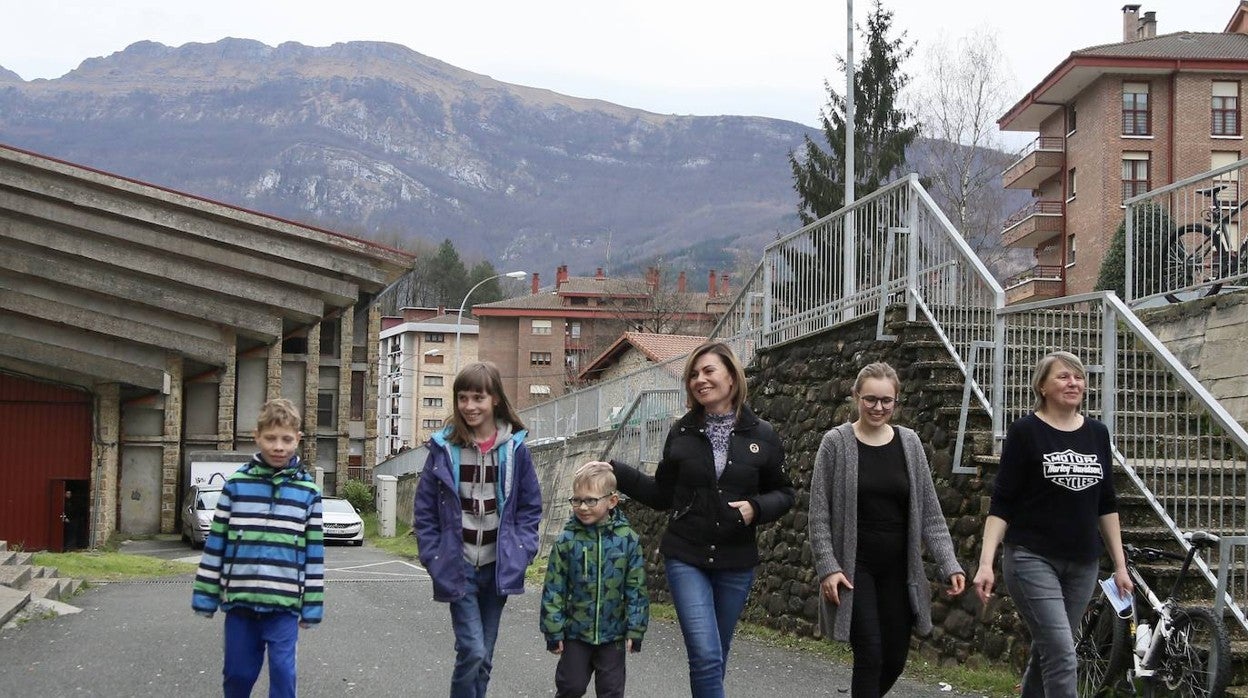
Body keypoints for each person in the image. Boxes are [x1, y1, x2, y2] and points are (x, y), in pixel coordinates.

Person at [598, 340, 794, 698]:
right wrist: (616, 471)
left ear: (732, 378)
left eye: (708, 371)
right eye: (693, 375)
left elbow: (785, 493)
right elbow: (661, 494)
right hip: (686, 555)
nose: (699, 380)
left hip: (736, 561)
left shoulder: (762, 435)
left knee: (716, 655)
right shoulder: (682, 432)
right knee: (704, 654)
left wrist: (757, 508)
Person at [973, 351, 1132, 697]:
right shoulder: (1025, 432)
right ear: (1042, 386)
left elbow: (1106, 503)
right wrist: (986, 563)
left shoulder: (1097, 434)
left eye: (1078, 377)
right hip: (1032, 558)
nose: (1073, 382)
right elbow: (1002, 503)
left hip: (1083, 563)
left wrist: (1120, 566)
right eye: (1063, 376)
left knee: (1048, 650)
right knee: (1062, 654)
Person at [808, 362, 966, 697]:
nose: (878, 407)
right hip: (854, 569)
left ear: (896, 401)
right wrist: (828, 568)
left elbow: (931, 514)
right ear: (856, 397)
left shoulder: (909, 443)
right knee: (870, 654)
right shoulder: (835, 443)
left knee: (894, 659)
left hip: (899, 569)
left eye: (886, 401)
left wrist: (949, 563)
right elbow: (818, 514)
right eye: (870, 400)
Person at [414, 361, 543, 698]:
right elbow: (425, 512)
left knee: (483, 658)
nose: (469, 406)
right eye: (462, 398)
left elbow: (530, 508)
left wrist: (523, 550)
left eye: (478, 398)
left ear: (495, 400)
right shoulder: (444, 450)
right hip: (459, 568)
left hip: (498, 568)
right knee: (471, 651)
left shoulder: (515, 451)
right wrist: (434, 556)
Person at [191, 397, 324, 698]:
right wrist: (205, 595)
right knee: (237, 674)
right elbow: (216, 545)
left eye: (287, 439)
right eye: (271, 438)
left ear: (298, 439)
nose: (279, 446)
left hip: (284, 605)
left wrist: (312, 605)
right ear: (257, 437)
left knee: (283, 673)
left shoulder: (308, 493)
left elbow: (314, 554)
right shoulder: (236, 485)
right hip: (241, 603)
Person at [540, 461, 649, 698]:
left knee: (611, 691)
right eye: (577, 500)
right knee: (571, 686)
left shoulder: (627, 540)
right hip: (576, 633)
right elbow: (554, 588)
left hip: (613, 635)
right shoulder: (567, 541)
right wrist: (553, 631)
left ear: (612, 501)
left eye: (591, 500)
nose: (583, 507)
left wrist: (635, 628)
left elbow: (636, 588)